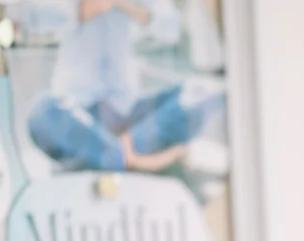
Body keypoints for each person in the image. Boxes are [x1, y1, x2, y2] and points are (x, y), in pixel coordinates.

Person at [23, 0, 221, 174]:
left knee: (200, 91)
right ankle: (125, 158)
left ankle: (113, 157)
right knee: (41, 113)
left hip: (129, 116)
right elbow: (31, 18)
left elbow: (171, 28)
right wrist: (79, 9)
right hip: (78, 113)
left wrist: (127, 5)